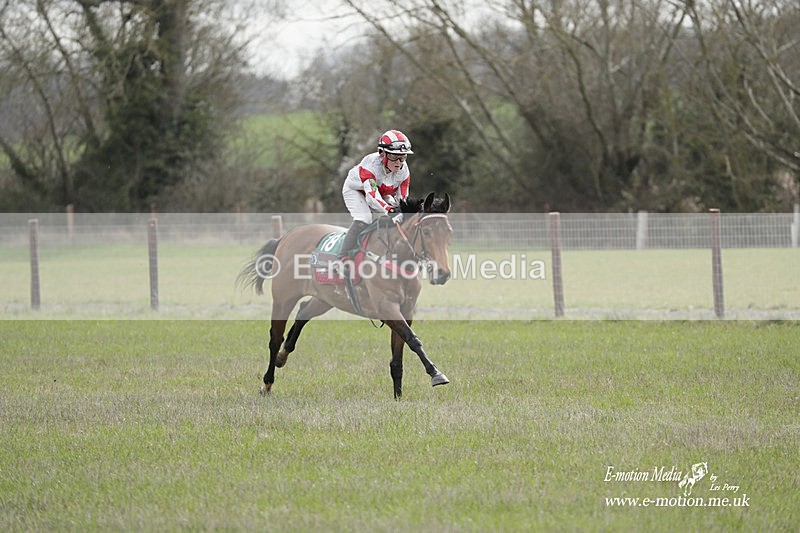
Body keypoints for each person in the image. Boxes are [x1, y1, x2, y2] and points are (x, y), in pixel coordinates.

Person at [336, 129, 413, 265]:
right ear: (382, 154)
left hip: (381, 192)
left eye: (403, 157)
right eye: (394, 157)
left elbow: (403, 198)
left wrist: (401, 211)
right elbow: (372, 196)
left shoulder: (404, 170)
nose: (399, 162)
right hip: (356, 190)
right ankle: (341, 258)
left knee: (399, 215)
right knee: (364, 218)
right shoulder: (371, 165)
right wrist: (389, 210)